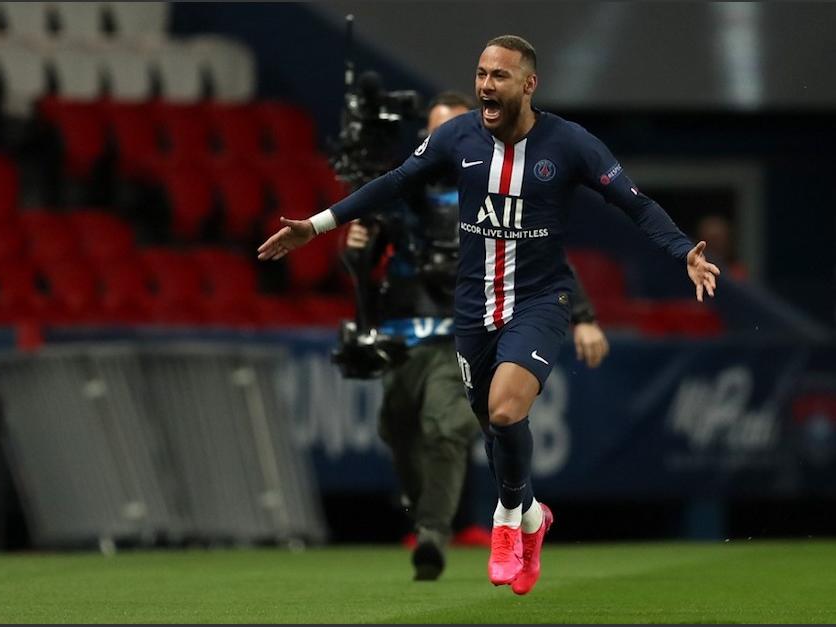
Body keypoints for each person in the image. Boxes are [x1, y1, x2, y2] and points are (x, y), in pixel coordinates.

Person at [259, 35, 720, 595]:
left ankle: (505, 520)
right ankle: (532, 516)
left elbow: (635, 204)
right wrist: (316, 225)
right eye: (480, 74)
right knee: (494, 431)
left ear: (528, 84)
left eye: (498, 76)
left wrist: (683, 252)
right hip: (474, 307)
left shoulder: (570, 145)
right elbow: (394, 183)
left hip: (539, 302)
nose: (485, 86)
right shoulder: (456, 137)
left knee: (504, 413)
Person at [343, 90, 610, 582]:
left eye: (449, 127)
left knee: (456, 427)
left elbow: (545, 257)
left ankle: (439, 529)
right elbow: (366, 258)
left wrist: (584, 315)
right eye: (432, 130)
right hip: (406, 330)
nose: (440, 139)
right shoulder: (409, 193)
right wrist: (355, 247)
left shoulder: (494, 181)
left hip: (472, 325)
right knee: (400, 426)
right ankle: (522, 514)